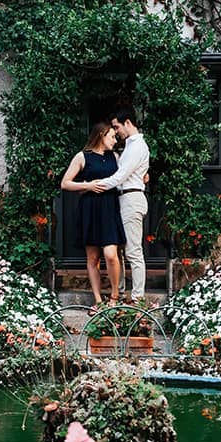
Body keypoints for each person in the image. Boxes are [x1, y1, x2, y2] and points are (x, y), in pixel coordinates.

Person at [60, 122, 125, 304]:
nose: (114, 140)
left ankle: (114, 296)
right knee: (93, 258)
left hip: (110, 207)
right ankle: (98, 299)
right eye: (111, 136)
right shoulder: (82, 156)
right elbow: (65, 183)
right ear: (101, 136)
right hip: (90, 208)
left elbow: (126, 176)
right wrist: (87, 185)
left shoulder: (115, 157)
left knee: (111, 254)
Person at [89, 107, 149, 301]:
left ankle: (138, 298)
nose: (116, 131)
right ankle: (121, 293)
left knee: (133, 251)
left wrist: (95, 185)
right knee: (119, 250)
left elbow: (121, 176)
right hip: (122, 199)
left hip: (131, 199)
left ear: (128, 123)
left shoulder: (138, 146)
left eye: (117, 127)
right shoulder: (130, 146)